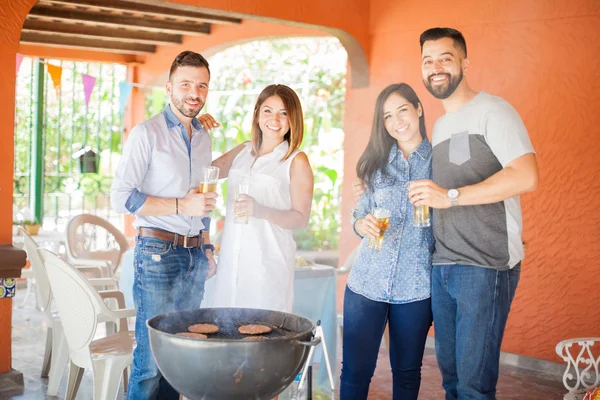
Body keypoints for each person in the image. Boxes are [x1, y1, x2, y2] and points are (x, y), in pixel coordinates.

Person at [407, 28, 538, 399]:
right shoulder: (441, 124)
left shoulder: (493, 111)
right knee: (451, 381)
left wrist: (450, 196)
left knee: (473, 387)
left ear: (464, 62)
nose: (436, 68)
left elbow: (526, 175)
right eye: (427, 61)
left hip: (484, 265)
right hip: (444, 264)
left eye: (445, 58)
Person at [110, 50, 218, 400]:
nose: (194, 93)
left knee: (180, 359)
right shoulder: (146, 133)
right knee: (151, 362)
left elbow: (202, 201)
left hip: (194, 257)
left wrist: (207, 246)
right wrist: (178, 204)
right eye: (186, 84)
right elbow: (121, 196)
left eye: (201, 86)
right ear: (169, 87)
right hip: (156, 254)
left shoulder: (204, 137)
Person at [341, 83, 434, 400]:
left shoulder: (440, 163)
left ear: (418, 109)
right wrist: (360, 224)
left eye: (403, 110)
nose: (397, 121)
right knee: (355, 372)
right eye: (387, 116)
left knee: (407, 375)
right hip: (367, 281)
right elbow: (359, 213)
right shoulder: (376, 163)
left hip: (417, 287)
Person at [208, 84, 314, 313]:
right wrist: (197, 129)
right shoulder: (242, 152)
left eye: (283, 112)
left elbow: (301, 219)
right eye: (267, 110)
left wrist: (260, 211)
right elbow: (206, 172)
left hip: (266, 266)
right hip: (231, 264)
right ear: (257, 115)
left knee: (262, 336)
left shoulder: (296, 160)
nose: (274, 119)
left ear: (293, 119)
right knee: (226, 335)